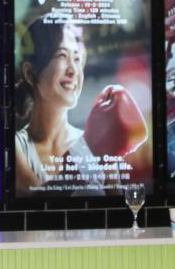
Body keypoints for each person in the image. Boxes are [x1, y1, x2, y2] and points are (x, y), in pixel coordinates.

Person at [14, 19, 146, 195]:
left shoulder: (96, 143)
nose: (73, 70)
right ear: (30, 73)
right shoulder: (16, 146)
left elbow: (117, 209)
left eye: (77, 59)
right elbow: (35, 203)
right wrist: (89, 151)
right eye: (62, 56)